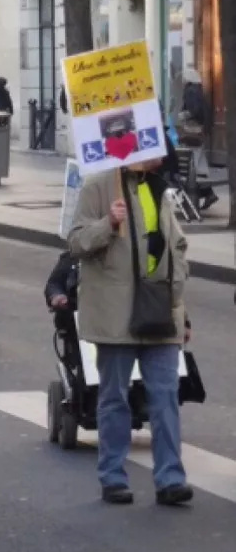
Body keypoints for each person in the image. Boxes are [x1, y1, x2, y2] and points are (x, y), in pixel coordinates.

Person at [68, 158, 193, 506]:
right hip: (116, 313)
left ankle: (170, 479)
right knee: (114, 398)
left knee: (165, 397)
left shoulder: (159, 189)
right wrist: (109, 222)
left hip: (159, 310)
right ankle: (113, 477)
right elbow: (76, 242)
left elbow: (177, 247)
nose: (156, 155)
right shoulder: (98, 186)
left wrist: (179, 297)